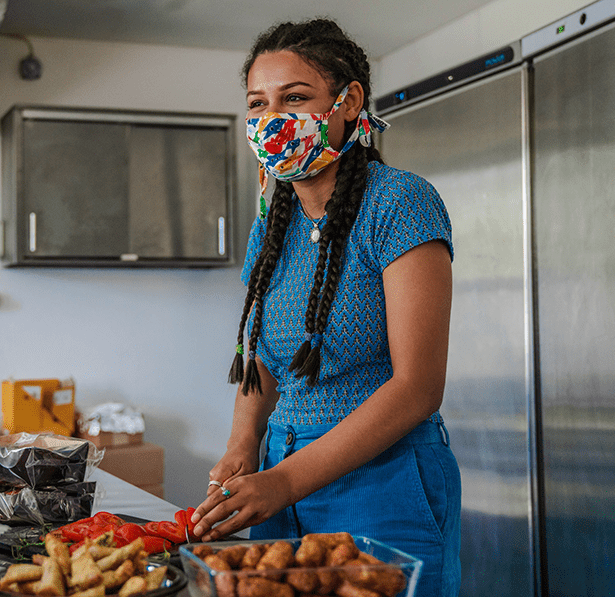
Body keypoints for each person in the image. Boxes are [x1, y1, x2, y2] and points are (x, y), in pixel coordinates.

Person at [188, 18, 461, 597]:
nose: (271, 119)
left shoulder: (402, 203)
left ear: (348, 102)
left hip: (385, 483)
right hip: (278, 474)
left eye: (295, 98)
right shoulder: (273, 217)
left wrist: (285, 480)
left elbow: (418, 388)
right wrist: (243, 447)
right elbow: (261, 351)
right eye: (257, 104)